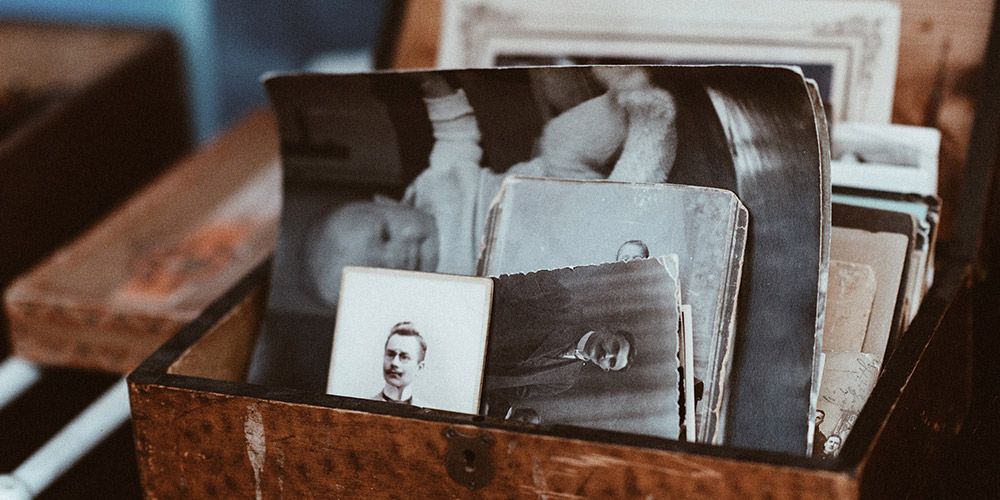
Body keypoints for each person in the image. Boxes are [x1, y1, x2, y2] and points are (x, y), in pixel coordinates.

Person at [302, 68, 678, 306]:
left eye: (385, 236)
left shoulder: (433, 185)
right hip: (559, 244)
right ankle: (643, 159)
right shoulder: (441, 291)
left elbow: (455, 135)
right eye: (381, 274)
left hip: (551, 178)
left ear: (388, 202)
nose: (397, 257)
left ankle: (630, 104)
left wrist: (436, 89)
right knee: (594, 259)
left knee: (559, 140)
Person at [484, 325, 636, 404]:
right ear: (607, 331)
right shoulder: (565, 310)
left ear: (605, 368)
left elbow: (520, 392)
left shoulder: (565, 381)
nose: (607, 355)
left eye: (612, 361)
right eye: (614, 347)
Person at [371, 322, 427, 405]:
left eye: (404, 357)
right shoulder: (363, 409)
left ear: (419, 368)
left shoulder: (427, 412)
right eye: (390, 354)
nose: (394, 363)